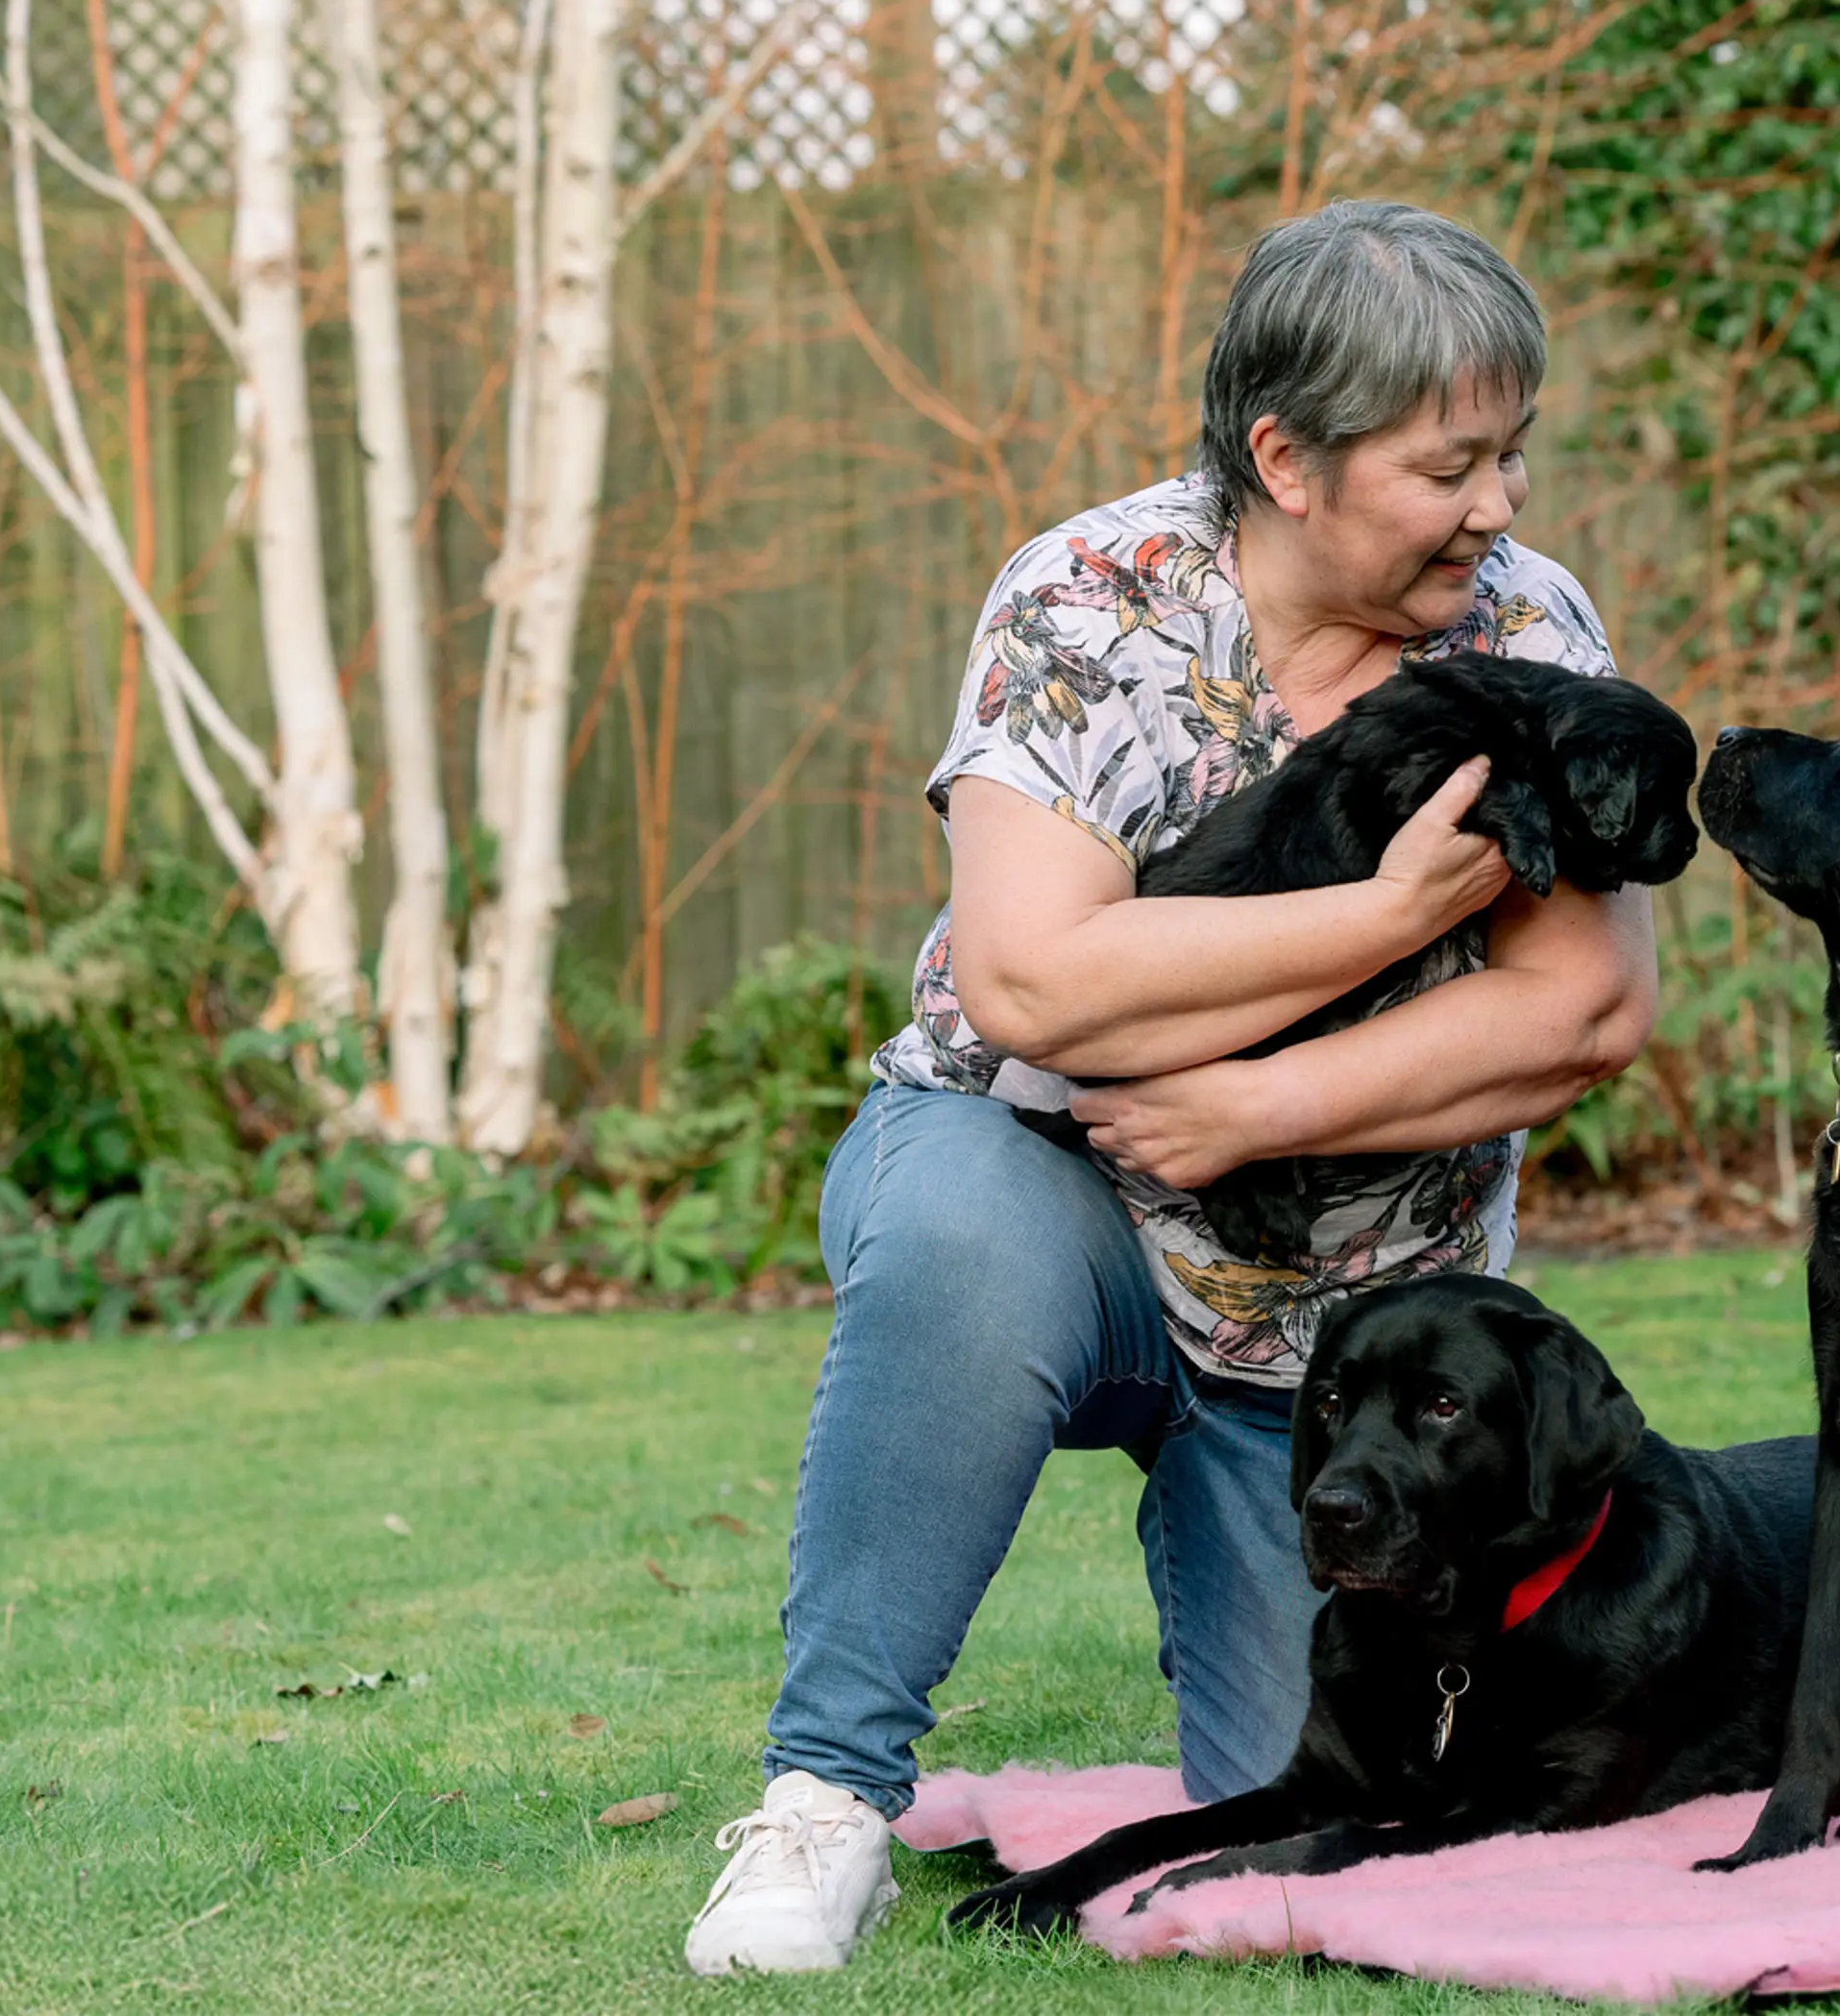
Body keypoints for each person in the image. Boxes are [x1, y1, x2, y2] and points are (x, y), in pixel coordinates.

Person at [684, 202, 1658, 1976]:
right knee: (967, 1248)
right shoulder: (1089, 602)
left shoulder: (1532, 633)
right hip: (1047, 1196)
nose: (1499, 508)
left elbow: (1582, 1008)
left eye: (1511, 456)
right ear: (1286, 456)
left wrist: (1254, 1109)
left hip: (1343, 1348)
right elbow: (1034, 982)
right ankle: (825, 1802)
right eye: (1452, 467)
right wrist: (1382, 914)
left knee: (1303, 1860)